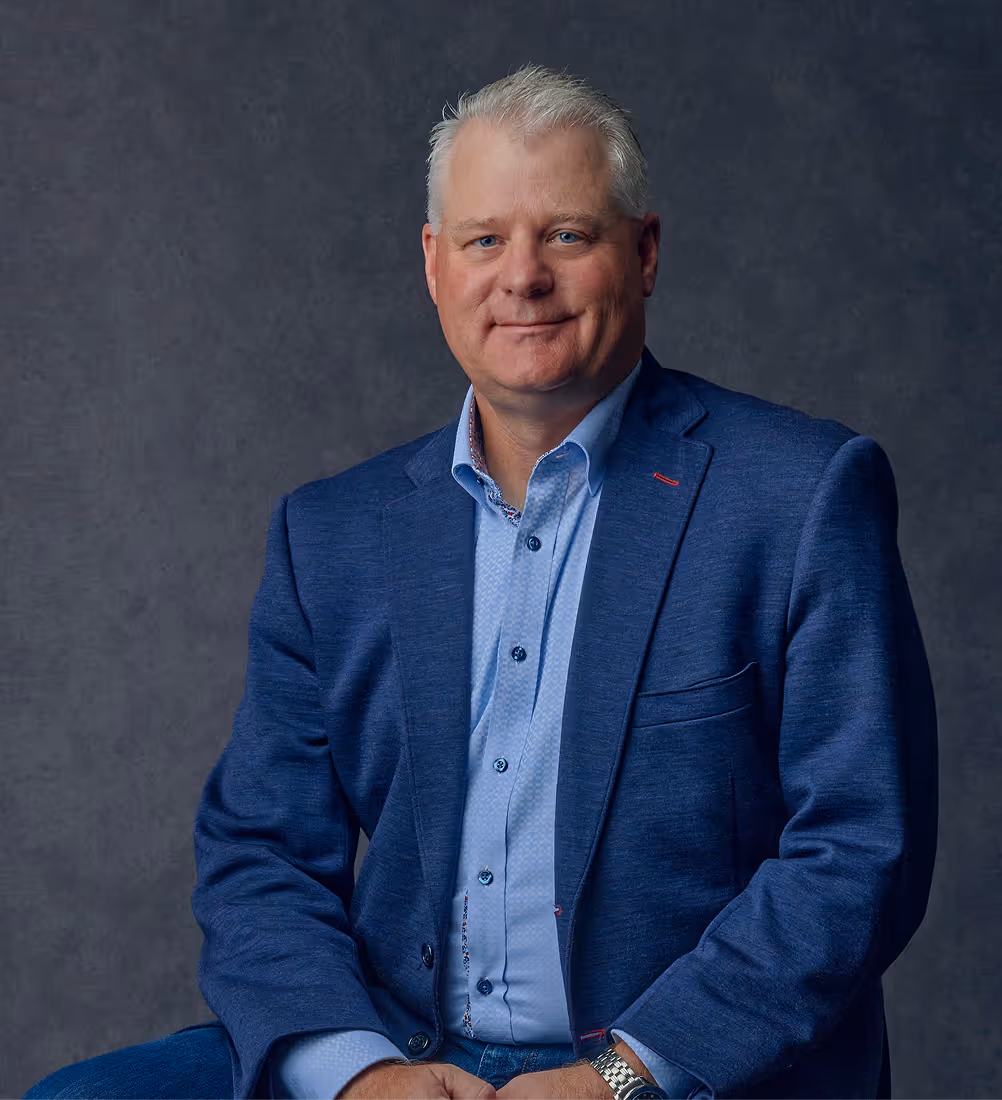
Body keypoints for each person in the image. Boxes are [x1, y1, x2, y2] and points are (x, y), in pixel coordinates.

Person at [25, 63, 937, 1100]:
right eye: (484, 239)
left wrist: (621, 1077)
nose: (522, 277)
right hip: (402, 1052)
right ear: (433, 264)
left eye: (566, 234)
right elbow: (262, 851)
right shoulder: (333, 534)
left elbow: (860, 849)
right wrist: (360, 1073)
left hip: (679, 1070)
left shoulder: (800, 495)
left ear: (643, 254)